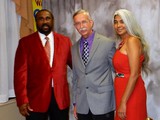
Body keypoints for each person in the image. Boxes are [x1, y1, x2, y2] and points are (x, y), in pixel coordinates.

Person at [14, 9, 72, 120]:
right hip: (35, 100)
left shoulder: (65, 41)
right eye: (40, 19)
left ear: (52, 21)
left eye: (47, 18)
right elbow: (20, 75)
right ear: (36, 22)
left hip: (60, 98)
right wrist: (22, 100)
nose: (44, 21)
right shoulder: (25, 43)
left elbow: (76, 66)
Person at [71, 9, 116, 120]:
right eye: (77, 23)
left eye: (84, 22)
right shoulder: (73, 48)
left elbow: (117, 71)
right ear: (75, 26)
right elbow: (75, 78)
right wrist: (75, 103)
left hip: (103, 104)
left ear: (91, 22)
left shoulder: (107, 44)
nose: (81, 26)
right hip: (82, 106)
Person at [112, 9, 150, 120]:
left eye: (122, 21)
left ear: (129, 22)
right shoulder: (123, 42)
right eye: (115, 22)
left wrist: (123, 101)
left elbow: (134, 74)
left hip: (132, 92)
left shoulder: (132, 41)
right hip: (122, 89)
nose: (118, 25)